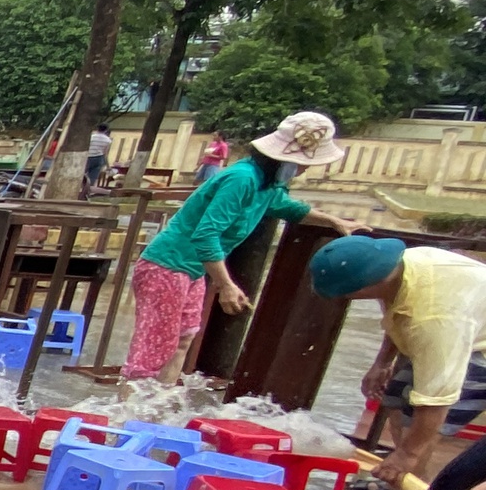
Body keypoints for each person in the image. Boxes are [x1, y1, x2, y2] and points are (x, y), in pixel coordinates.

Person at [121, 110, 354, 382]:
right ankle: (128, 414)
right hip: (168, 266)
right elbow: (206, 234)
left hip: (192, 271)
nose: (302, 171)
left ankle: (155, 413)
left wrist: (333, 220)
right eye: (301, 165)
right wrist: (226, 284)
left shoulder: (267, 186)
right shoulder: (242, 178)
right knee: (152, 352)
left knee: (183, 340)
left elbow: (286, 207)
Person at [308, 230, 486, 490]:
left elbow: (437, 399)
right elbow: (397, 314)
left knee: (421, 415)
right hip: (462, 322)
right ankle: (399, 479)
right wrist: (382, 362)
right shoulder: (399, 267)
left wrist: (406, 454)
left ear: (364, 289)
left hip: (472, 342)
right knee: (393, 398)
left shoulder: (433, 319)